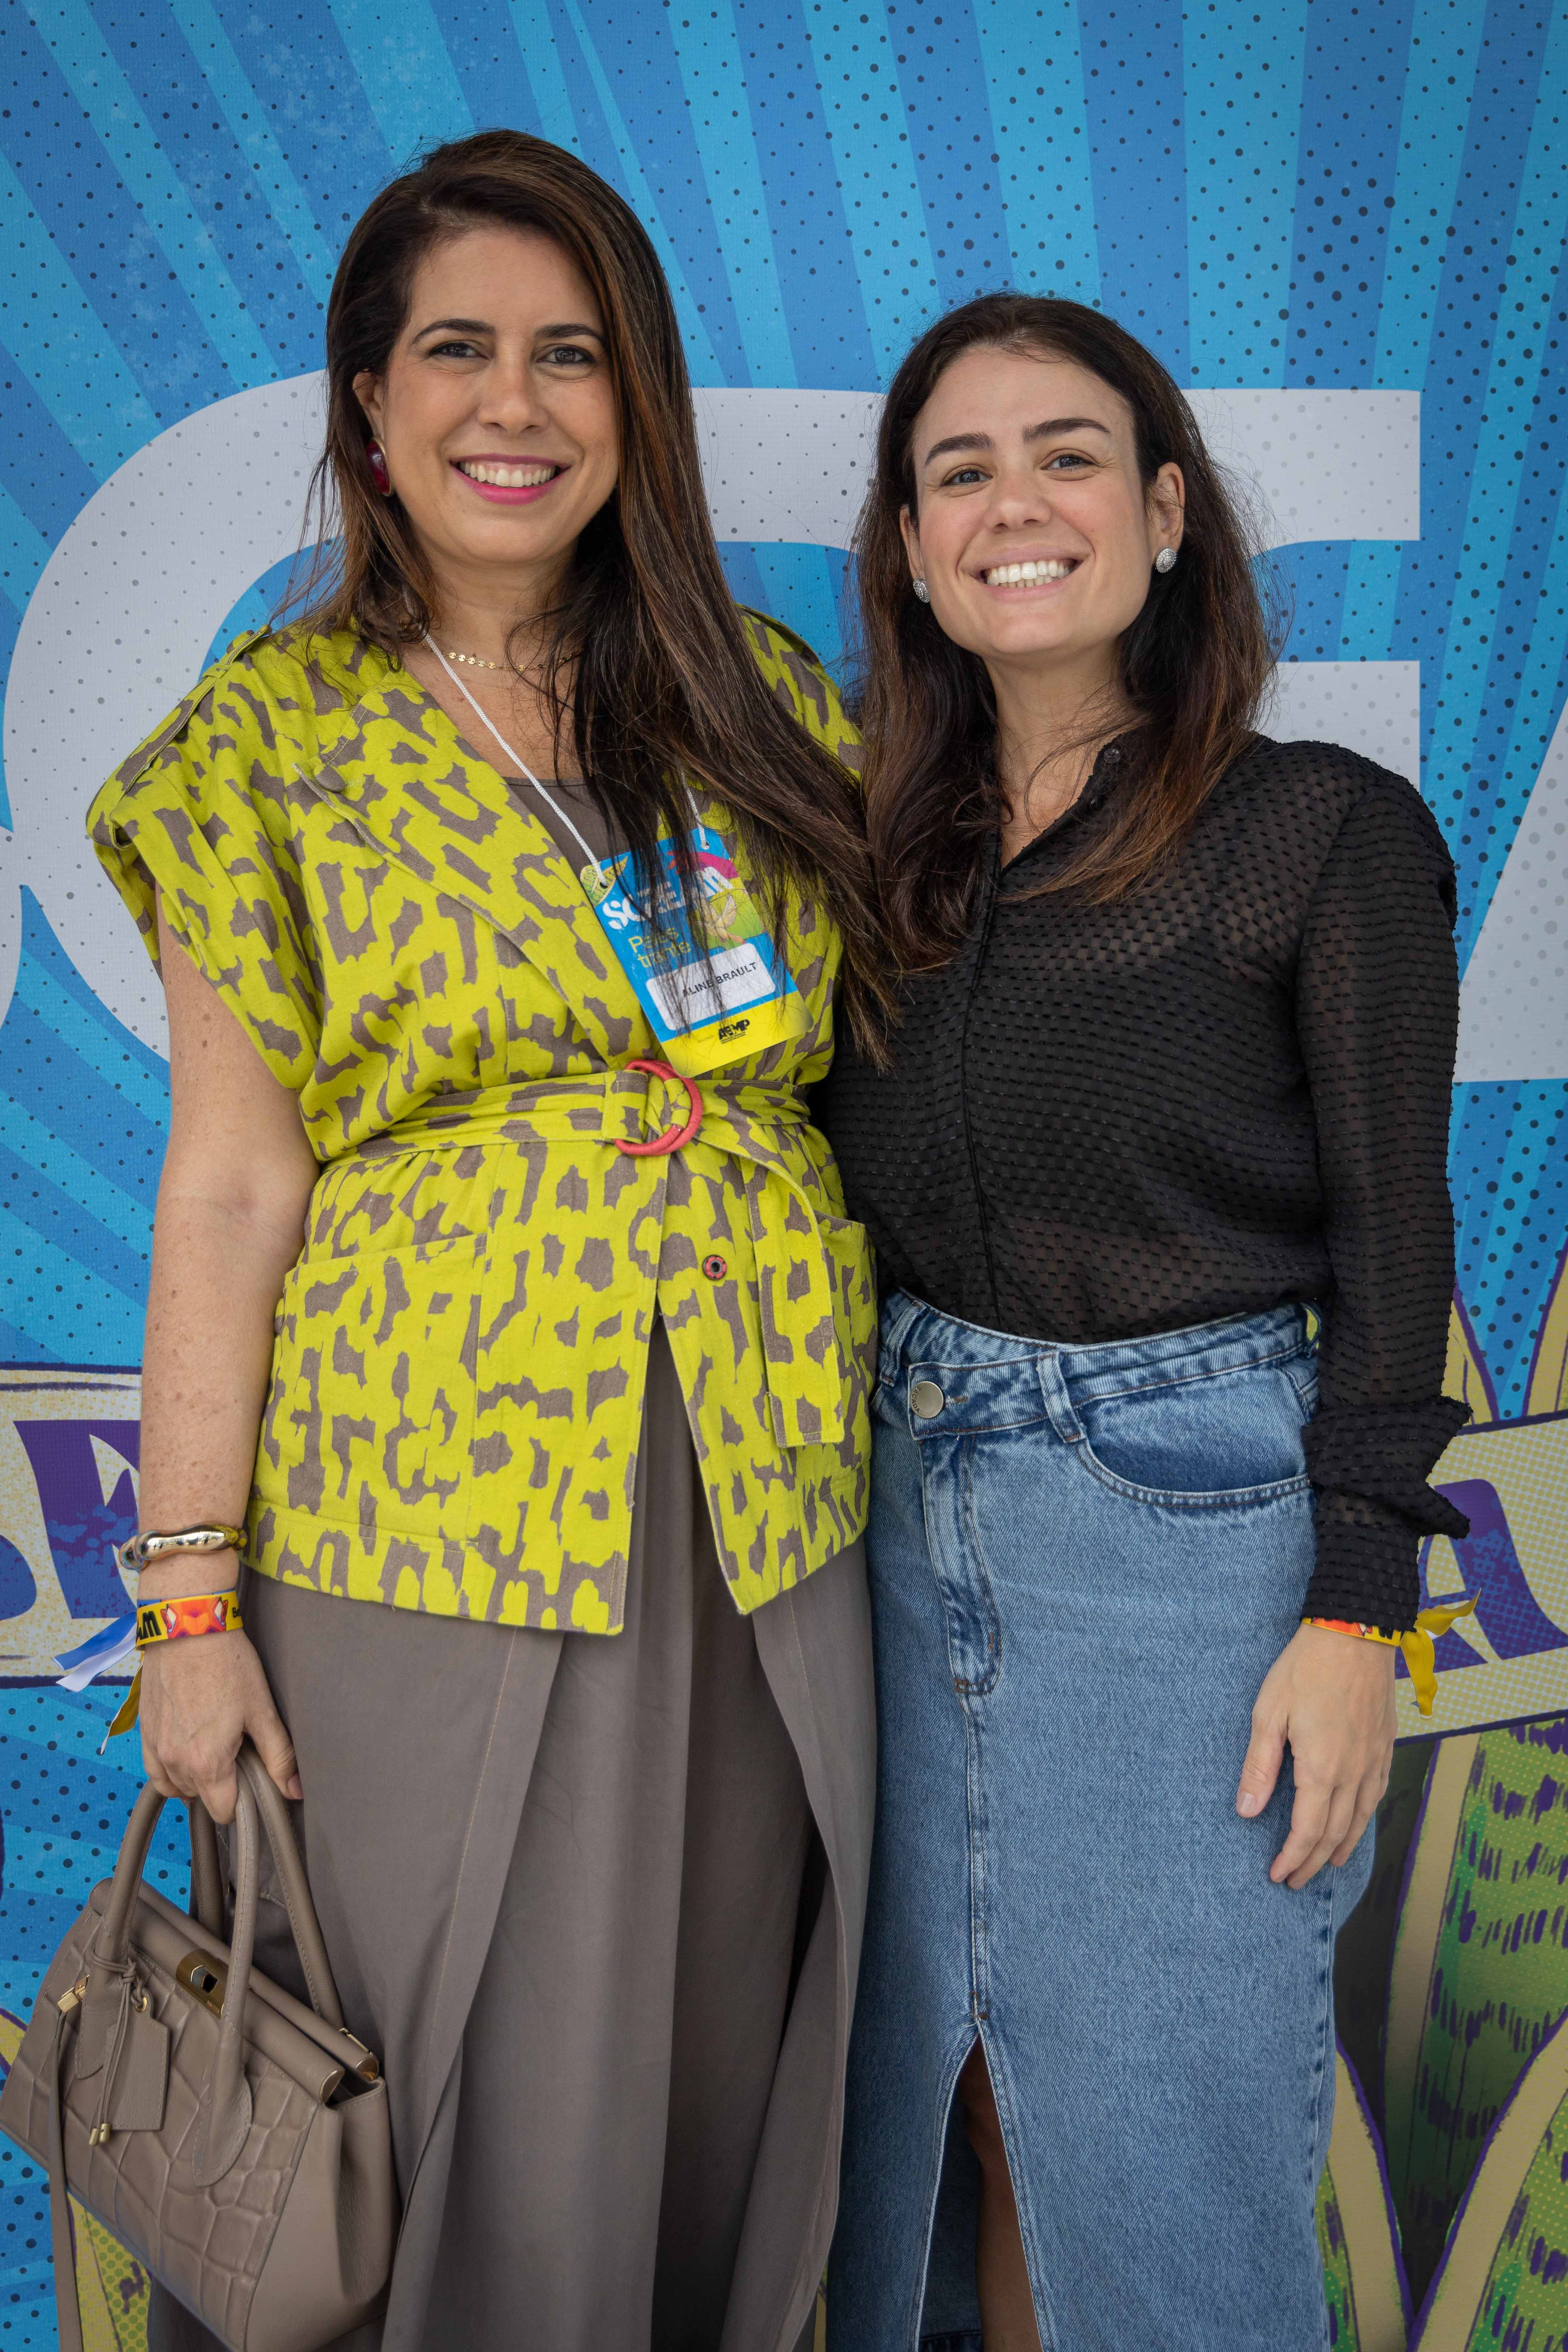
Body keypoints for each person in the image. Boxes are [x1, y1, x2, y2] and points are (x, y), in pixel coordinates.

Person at [89, 130, 885, 2352]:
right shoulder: (269, 740)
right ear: (369, 401)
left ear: (639, 405)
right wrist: (187, 1603)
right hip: (416, 1510)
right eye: (456, 349)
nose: (512, 403)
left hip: (763, 1500)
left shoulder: (760, 701)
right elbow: (231, 1185)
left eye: (572, 353)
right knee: (427, 2095)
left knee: (706, 2095)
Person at [814, 294, 1469, 2352]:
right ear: (911, 549)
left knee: (1153, 2150)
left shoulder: (1323, 832)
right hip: (889, 1535)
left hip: (1187, 1547)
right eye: (961, 472)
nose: (1015, 504)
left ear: (1169, 512)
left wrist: (1357, 1615)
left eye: (1069, 456)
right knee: (950, 2124)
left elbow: (1399, 1242)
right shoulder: (863, 858)